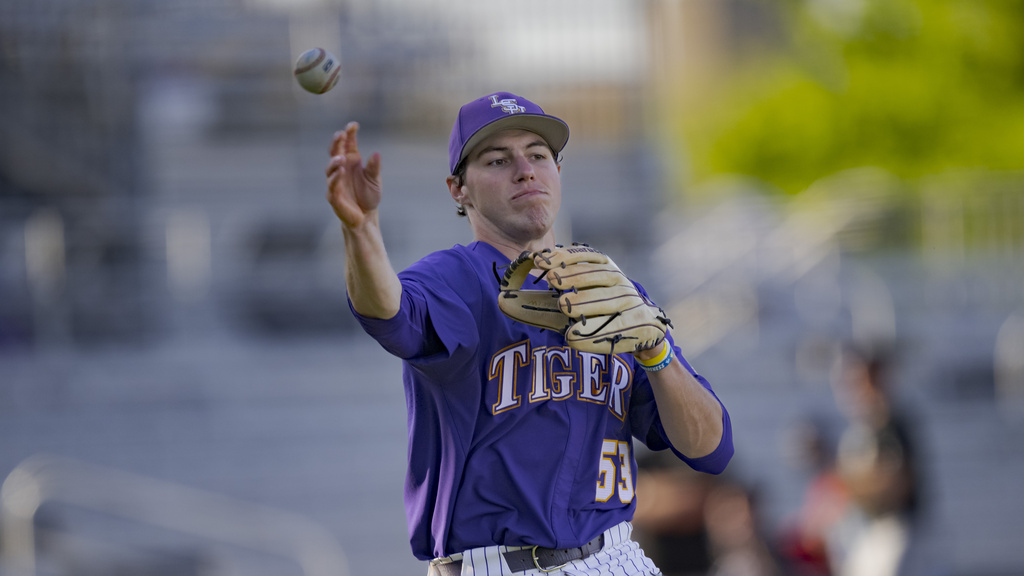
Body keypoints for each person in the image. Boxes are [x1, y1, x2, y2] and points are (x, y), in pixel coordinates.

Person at [324, 91, 734, 576]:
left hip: (618, 556)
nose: (525, 170)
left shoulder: (612, 291)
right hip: (499, 566)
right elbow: (387, 311)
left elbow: (711, 449)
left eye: (538, 155)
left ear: (558, 172)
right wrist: (362, 232)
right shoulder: (454, 279)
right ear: (458, 189)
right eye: (498, 160)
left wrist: (657, 351)